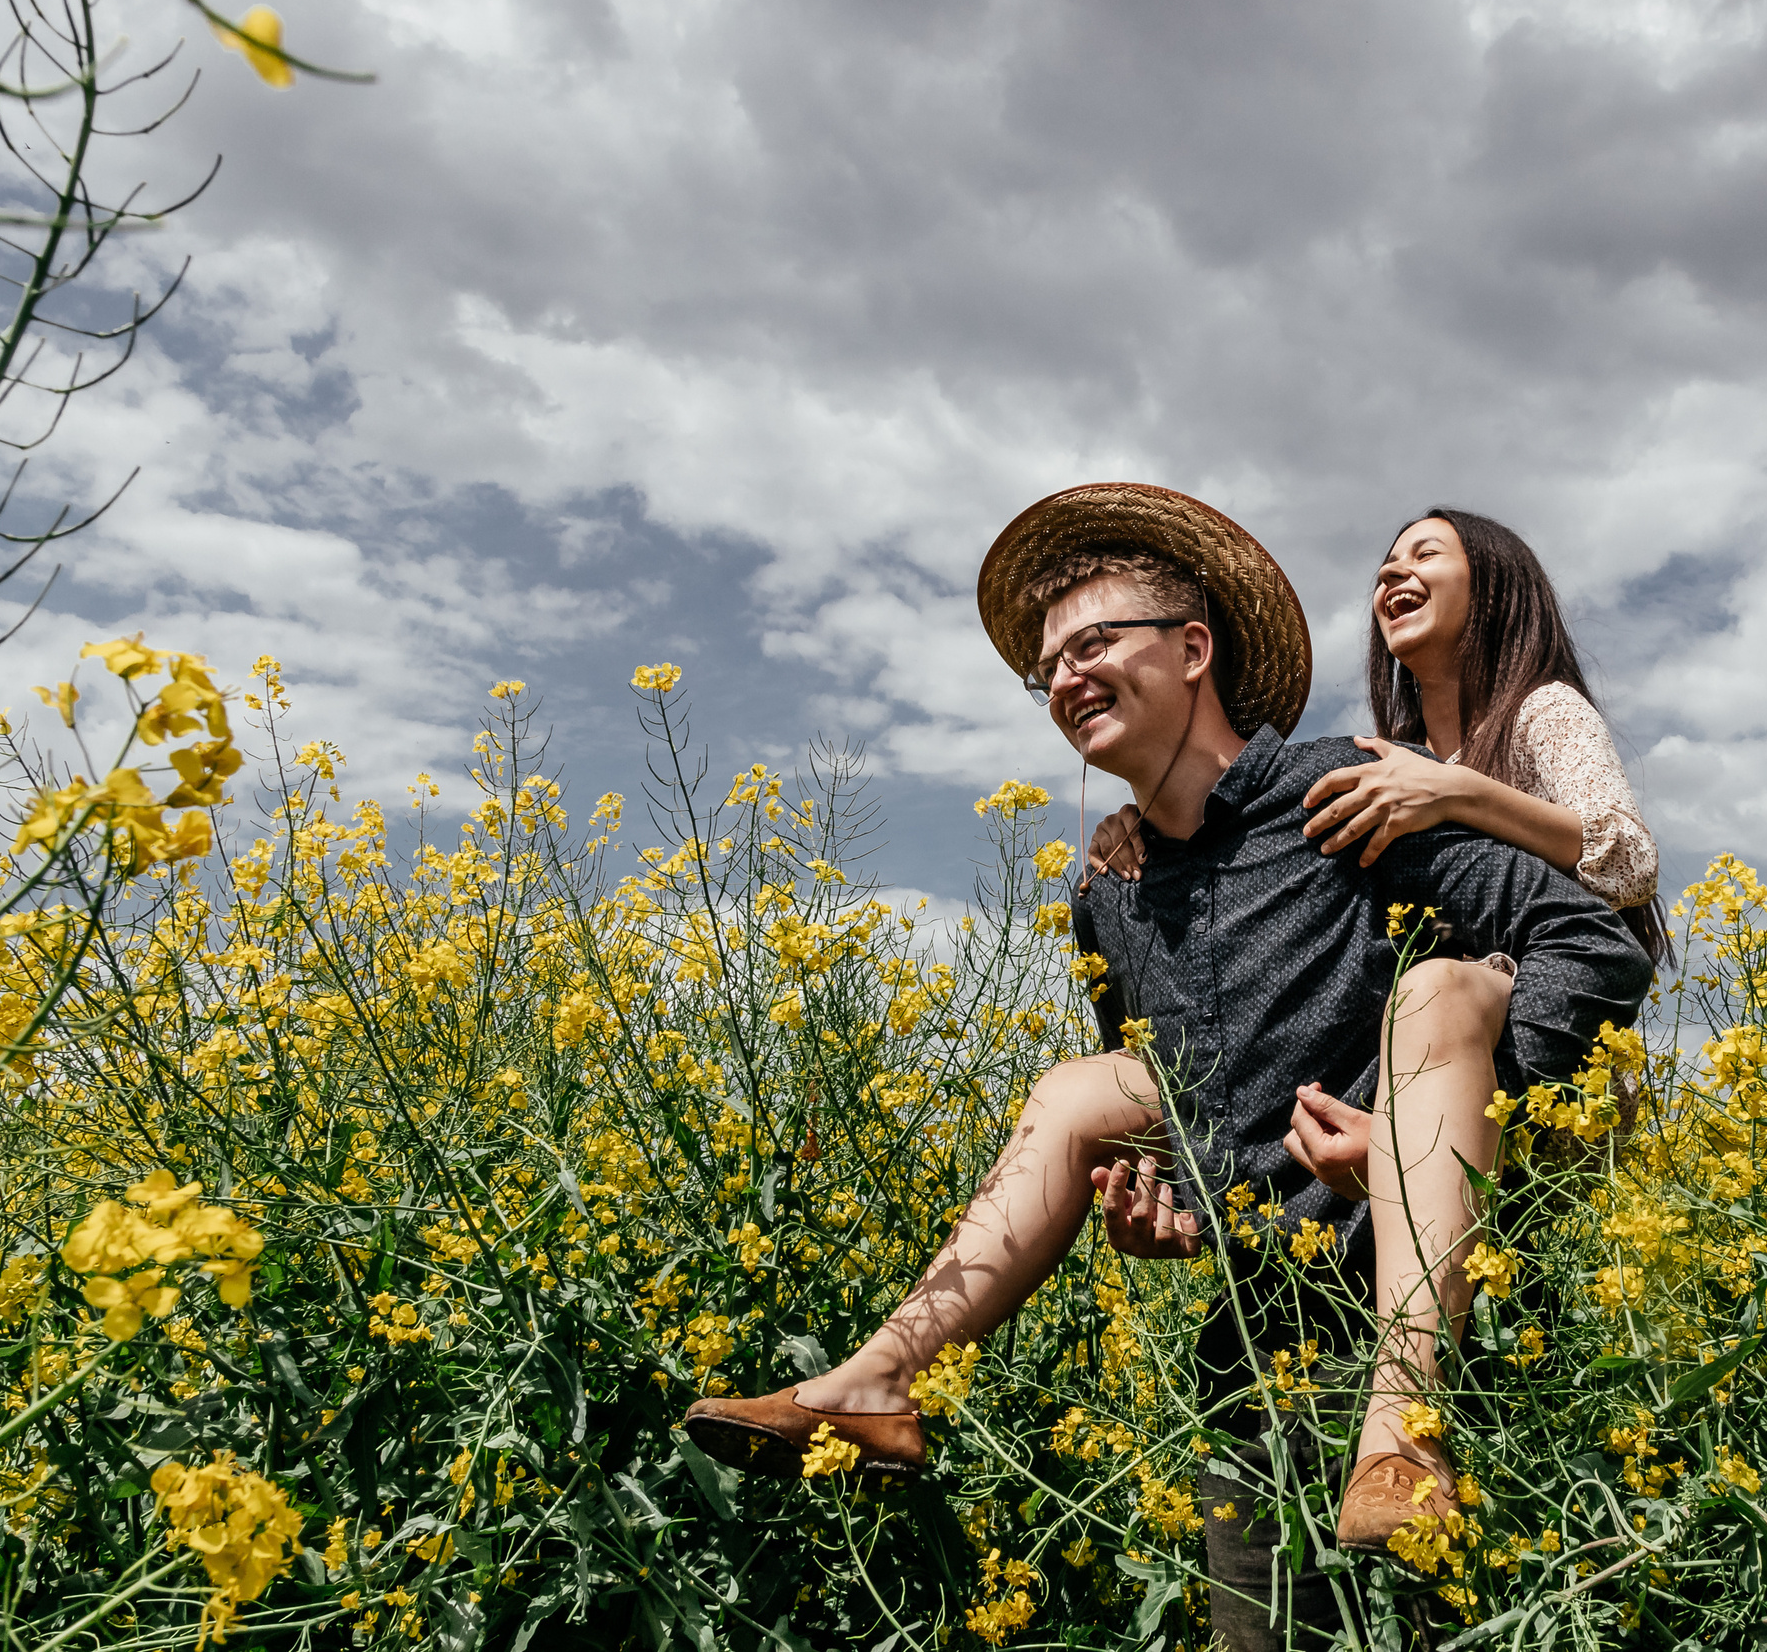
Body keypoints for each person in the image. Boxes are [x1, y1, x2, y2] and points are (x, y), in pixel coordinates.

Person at [682, 484, 1650, 1647]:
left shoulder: (1348, 789)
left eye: (1094, 642)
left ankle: (1406, 1430)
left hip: (1448, 1332)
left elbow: (1589, 936)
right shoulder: (1111, 888)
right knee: (1076, 1091)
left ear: (1194, 650)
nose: (1065, 678)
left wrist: (1424, 1143)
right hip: (1255, 1358)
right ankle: (881, 1379)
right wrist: (1160, 1206)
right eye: (1046, 667)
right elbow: (1155, 1086)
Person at [1089, 506, 1664, 1199]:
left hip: (1548, 1071)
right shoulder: (1391, 757)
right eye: (1387, 565)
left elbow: (1628, 860)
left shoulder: (1541, 711)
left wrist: (1459, 791)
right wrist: (1148, 823)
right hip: (1426, 1077)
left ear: (1493, 589)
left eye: (1426, 555)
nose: (1393, 571)